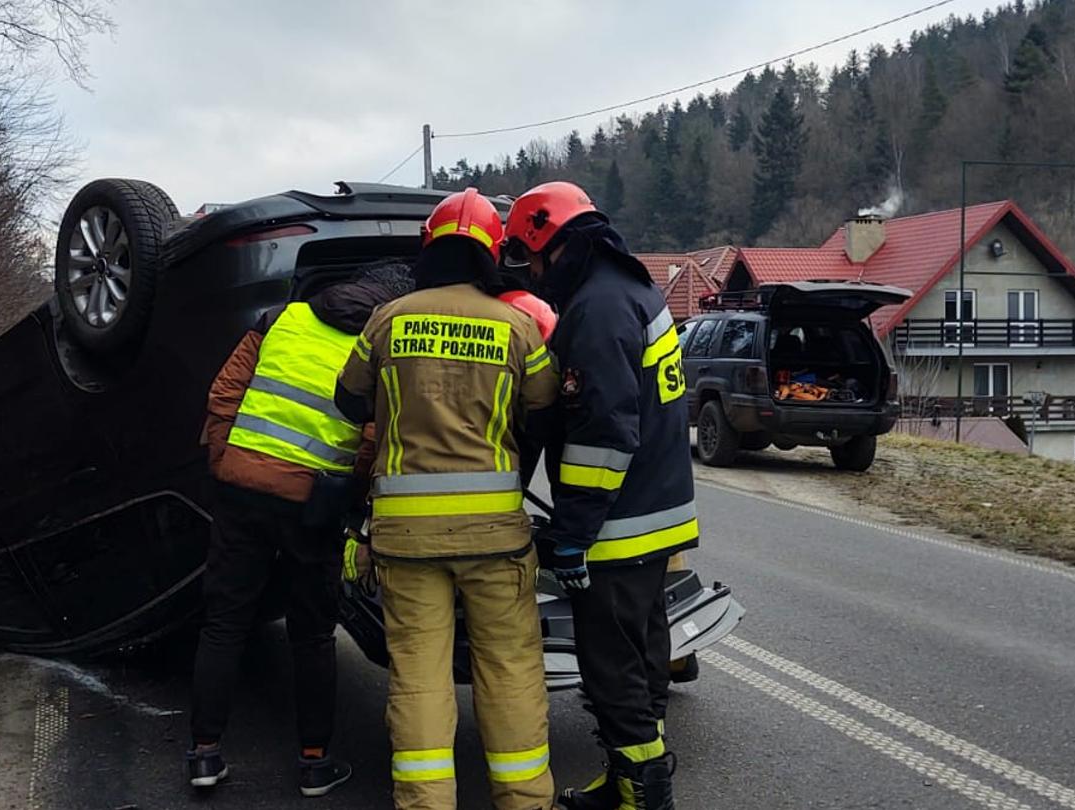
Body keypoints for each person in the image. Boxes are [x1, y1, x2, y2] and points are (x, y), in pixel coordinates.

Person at [334, 188, 560, 810]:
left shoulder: (389, 319)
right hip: (496, 538)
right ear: (492, 254)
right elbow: (544, 411)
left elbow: (347, 400)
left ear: (428, 250)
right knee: (510, 668)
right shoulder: (516, 326)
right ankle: (523, 800)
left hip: (405, 540)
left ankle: (427, 803)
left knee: (419, 675)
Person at [503, 181, 700, 810]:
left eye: (529, 259)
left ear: (551, 244)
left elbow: (605, 436)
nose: (532, 275)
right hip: (660, 517)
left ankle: (641, 796)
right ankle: (633, 779)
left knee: (611, 668)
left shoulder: (596, 310)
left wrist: (571, 535)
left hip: (618, 528)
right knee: (644, 659)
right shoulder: (637, 290)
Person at [188, 260, 415, 798]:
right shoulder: (378, 348)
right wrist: (350, 497)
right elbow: (372, 438)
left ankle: (204, 755)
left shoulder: (281, 319)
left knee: (223, 622)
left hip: (242, 489)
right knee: (312, 632)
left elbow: (224, 394)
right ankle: (314, 763)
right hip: (314, 503)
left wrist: (229, 465)